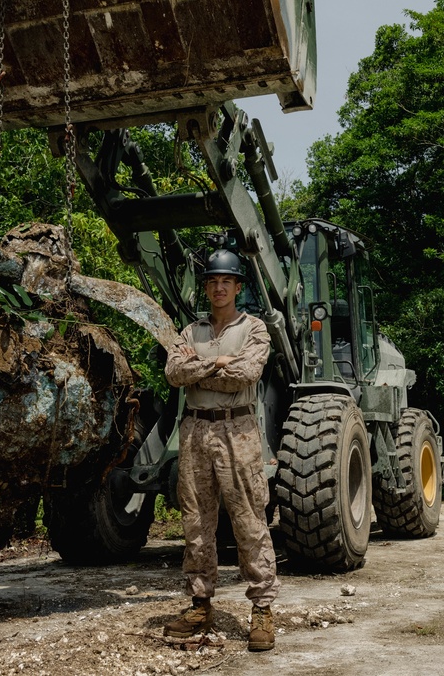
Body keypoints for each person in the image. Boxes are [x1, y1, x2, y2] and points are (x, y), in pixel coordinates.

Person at [162, 248, 280, 652]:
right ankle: (200, 604)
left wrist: (202, 366)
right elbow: (173, 372)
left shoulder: (255, 329)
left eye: (225, 281)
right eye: (212, 281)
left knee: (249, 519)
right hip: (194, 431)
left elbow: (247, 373)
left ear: (238, 287)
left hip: (238, 431)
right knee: (196, 521)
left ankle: (262, 608)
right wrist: (217, 363)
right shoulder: (190, 330)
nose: (218, 287)